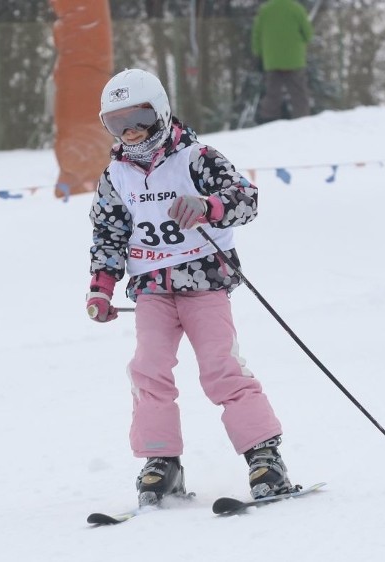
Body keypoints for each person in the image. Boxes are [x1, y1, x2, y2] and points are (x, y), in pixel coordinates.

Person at [87, 68, 293, 505]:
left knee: (221, 366)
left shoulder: (197, 157)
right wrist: (101, 288)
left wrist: (207, 205)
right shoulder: (116, 176)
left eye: (138, 118)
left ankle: (265, 456)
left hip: (203, 281)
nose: (130, 132)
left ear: (160, 112)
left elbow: (246, 200)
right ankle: (162, 463)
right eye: (117, 124)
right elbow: (108, 234)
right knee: (148, 369)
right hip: (151, 288)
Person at [251, 0, 313, 122]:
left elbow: (256, 34)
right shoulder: (297, 9)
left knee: (272, 93)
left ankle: (269, 121)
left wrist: (258, 54)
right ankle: (303, 120)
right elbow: (308, 34)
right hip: (294, 59)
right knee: (299, 94)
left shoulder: (265, 10)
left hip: (272, 59)